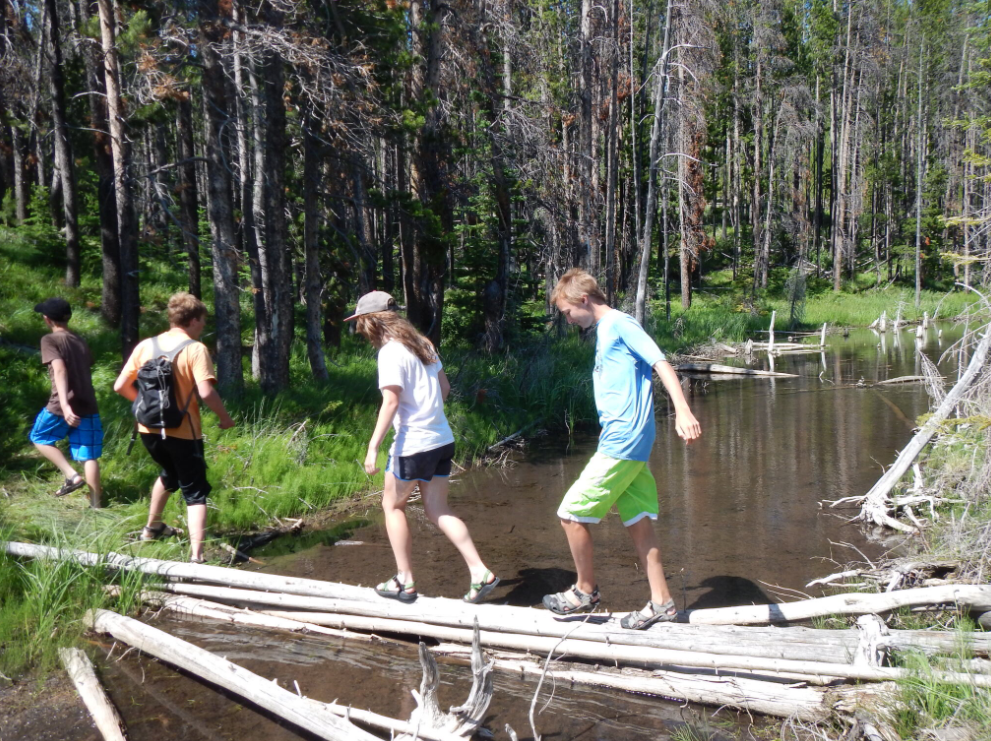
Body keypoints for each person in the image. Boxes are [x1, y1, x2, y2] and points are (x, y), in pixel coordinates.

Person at [542, 268, 701, 630]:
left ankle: (585, 591)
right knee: (639, 523)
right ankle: (662, 602)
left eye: (567, 312)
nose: (568, 320)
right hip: (627, 438)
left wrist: (683, 410)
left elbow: (660, 361)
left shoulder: (619, 324)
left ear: (583, 300)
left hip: (624, 439)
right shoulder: (604, 332)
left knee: (571, 513)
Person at [349, 291, 499, 604]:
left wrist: (372, 448)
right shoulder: (423, 343)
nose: (359, 329)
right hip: (442, 439)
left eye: (360, 323)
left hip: (412, 444)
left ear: (371, 321)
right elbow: (444, 388)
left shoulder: (390, 352)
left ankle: (405, 581)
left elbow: (390, 401)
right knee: (438, 509)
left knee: (392, 506)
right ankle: (480, 571)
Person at [113, 292, 235, 563]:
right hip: (183, 432)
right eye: (203, 321)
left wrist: (143, 407)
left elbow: (120, 386)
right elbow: (206, 393)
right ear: (192, 321)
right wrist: (225, 418)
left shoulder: (146, 346)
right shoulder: (195, 349)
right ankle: (197, 557)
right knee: (195, 490)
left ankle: (152, 528)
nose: (203, 326)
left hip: (148, 432)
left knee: (169, 473)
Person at [28, 298, 103, 507]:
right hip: (88, 402)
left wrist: (65, 405)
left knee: (39, 437)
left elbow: (60, 369)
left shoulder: (49, 340)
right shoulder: (79, 340)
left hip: (61, 404)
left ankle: (71, 476)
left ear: (46, 319)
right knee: (88, 454)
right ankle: (96, 505)